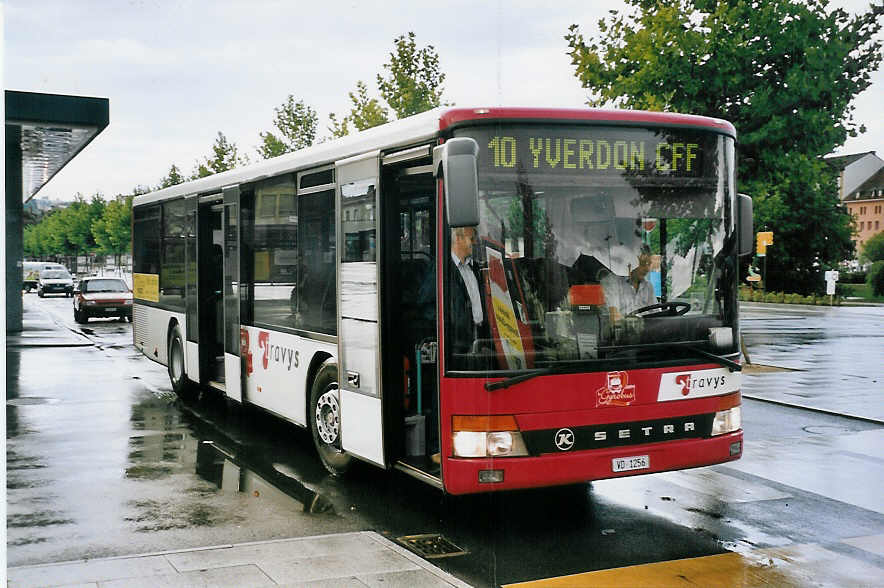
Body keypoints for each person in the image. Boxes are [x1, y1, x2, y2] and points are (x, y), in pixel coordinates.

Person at [447, 226, 488, 361]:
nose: (475, 242)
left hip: (479, 340)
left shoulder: (475, 268)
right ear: (458, 239)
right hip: (458, 347)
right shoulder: (443, 270)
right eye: (471, 239)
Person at [601, 247, 656, 321]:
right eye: (643, 264)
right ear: (630, 263)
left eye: (649, 264)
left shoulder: (648, 286)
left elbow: (656, 313)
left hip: (648, 328)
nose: (647, 269)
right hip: (621, 330)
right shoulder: (612, 282)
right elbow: (614, 317)